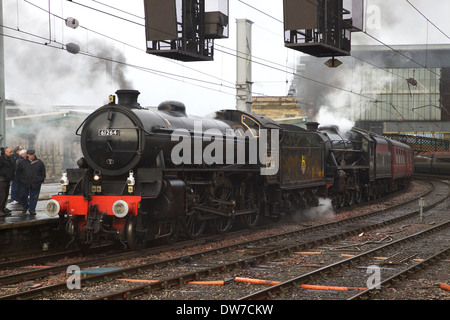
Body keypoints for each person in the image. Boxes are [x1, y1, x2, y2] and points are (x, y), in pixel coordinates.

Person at [16, 149, 46, 215]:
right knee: (23, 195)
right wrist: (20, 180)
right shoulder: (22, 162)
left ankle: (32, 209)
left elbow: (43, 173)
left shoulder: (39, 162)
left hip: (35, 183)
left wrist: (40, 179)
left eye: (32, 154)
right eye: (30, 155)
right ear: (27, 155)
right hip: (24, 182)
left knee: (34, 196)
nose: (32, 156)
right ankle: (25, 207)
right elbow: (18, 172)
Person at [0, 147, 15, 217]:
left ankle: (3, 209)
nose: (11, 154)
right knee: (2, 195)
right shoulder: (2, 159)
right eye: (10, 152)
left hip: (7, 179)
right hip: (2, 179)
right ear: (6, 152)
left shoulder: (8, 159)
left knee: (5, 195)